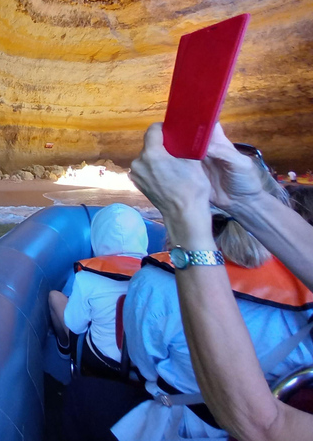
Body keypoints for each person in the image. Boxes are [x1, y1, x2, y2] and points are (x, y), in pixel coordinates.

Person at [128, 123, 313, 441]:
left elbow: (263, 427)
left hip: (194, 419)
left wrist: (184, 214)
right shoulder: (298, 282)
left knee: (88, 397)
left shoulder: (153, 284)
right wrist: (249, 200)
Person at [48, 203, 148, 376]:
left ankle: (64, 350)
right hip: (145, 367)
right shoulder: (157, 275)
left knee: (55, 297)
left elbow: (75, 325)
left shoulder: (87, 277)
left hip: (101, 362)